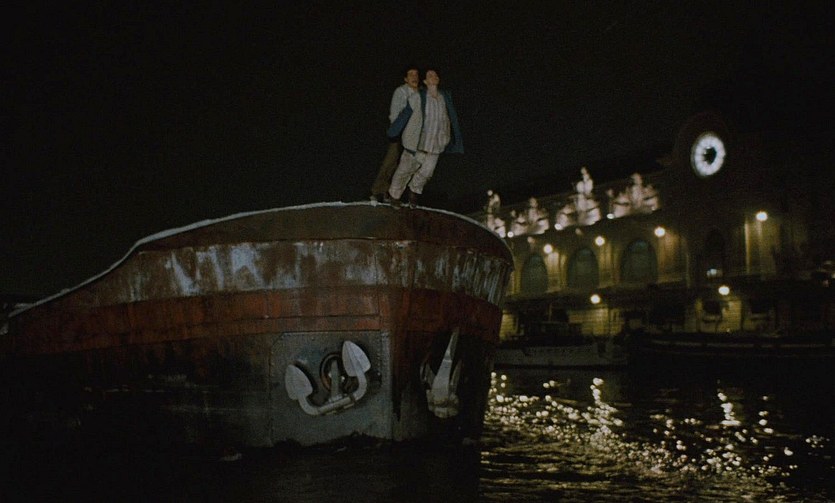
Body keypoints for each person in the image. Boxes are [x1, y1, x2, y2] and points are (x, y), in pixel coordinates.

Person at [386, 69, 463, 207]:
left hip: (436, 145)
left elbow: (451, 119)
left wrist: (449, 138)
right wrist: (394, 131)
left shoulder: (445, 98)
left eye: (435, 75)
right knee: (405, 170)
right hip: (417, 144)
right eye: (430, 75)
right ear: (425, 81)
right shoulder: (417, 97)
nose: (434, 77)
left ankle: (414, 191)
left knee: (427, 172)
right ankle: (394, 196)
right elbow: (405, 115)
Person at [370, 67, 421, 202]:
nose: (414, 77)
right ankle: (378, 190)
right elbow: (394, 113)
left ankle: (395, 193)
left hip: (416, 135)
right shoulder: (401, 91)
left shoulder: (422, 93)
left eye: (416, 74)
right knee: (391, 161)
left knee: (409, 165)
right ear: (405, 79)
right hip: (401, 132)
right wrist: (396, 131)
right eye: (411, 74)